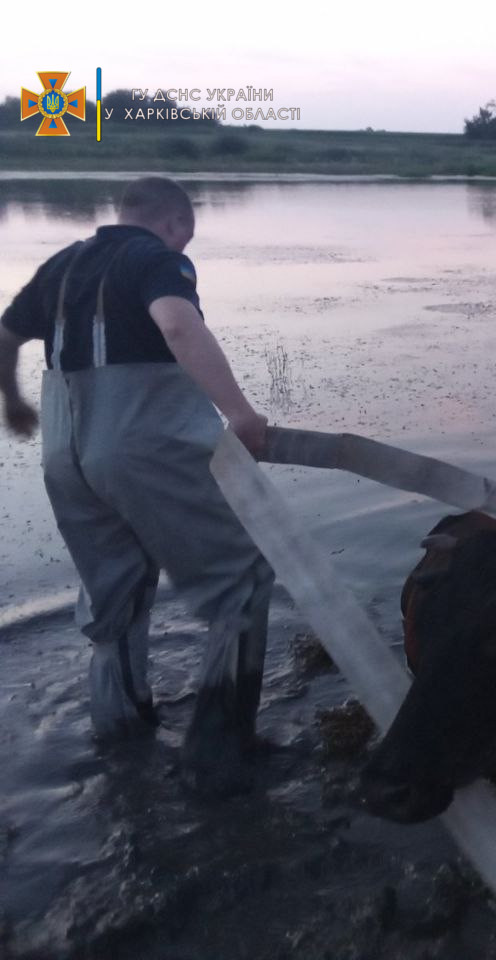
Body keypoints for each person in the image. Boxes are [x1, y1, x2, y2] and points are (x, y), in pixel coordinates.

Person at [0, 176, 275, 794]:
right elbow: (177, 326)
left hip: (66, 455)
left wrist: (13, 403)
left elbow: (4, 337)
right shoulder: (157, 258)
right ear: (176, 223)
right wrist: (240, 414)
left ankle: (121, 743)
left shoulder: (63, 265)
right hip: (142, 444)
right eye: (188, 234)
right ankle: (221, 756)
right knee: (243, 583)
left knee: (115, 605)